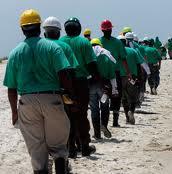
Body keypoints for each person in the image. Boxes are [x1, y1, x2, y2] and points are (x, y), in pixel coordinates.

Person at [4, 9, 72, 173]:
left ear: (22, 29)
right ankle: (61, 164)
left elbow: (11, 89)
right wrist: (70, 96)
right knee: (58, 145)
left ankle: (41, 169)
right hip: (52, 99)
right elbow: (64, 73)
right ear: (39, 26)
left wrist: (14, 112)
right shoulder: (52, 47)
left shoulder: (14, 54)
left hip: (26, 102)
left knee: (36, 148)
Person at [60, 17, 98, 158]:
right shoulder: (84, 42)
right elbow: (92, 64)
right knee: (81, 115)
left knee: (67, 116)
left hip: (63, 84)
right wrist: (97, 78)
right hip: (81, 83)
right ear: (79, 28)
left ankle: (71, 148)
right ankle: (85, 146)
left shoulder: (60, 42)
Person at [99, 19, 130, 127]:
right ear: (111, 29)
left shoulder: (99, 42)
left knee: (106, 96)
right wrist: (128, 72)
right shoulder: (117, 42)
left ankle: (106, 122)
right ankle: (114, 121)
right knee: (116, 96)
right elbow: (123, 59)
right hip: (114, 74)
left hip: (102, 74)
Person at [90, 38, 117, 139]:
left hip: (91, 86)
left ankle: (97, 134)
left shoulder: (88, 57)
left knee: (94, 109)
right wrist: (114, 89)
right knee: (105, 107)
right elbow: (112, 76)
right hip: (104, 87)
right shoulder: (106, 57)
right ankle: (104, 125)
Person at [118, 33, 144, 124]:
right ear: (126, 42)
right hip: (132, 77)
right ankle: (131, 112)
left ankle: (127, 117)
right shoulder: (133, 51)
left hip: (120, 78)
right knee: (133, 97)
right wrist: (139, 78)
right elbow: (138, 65)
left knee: (124, 99)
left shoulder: (116, 53)